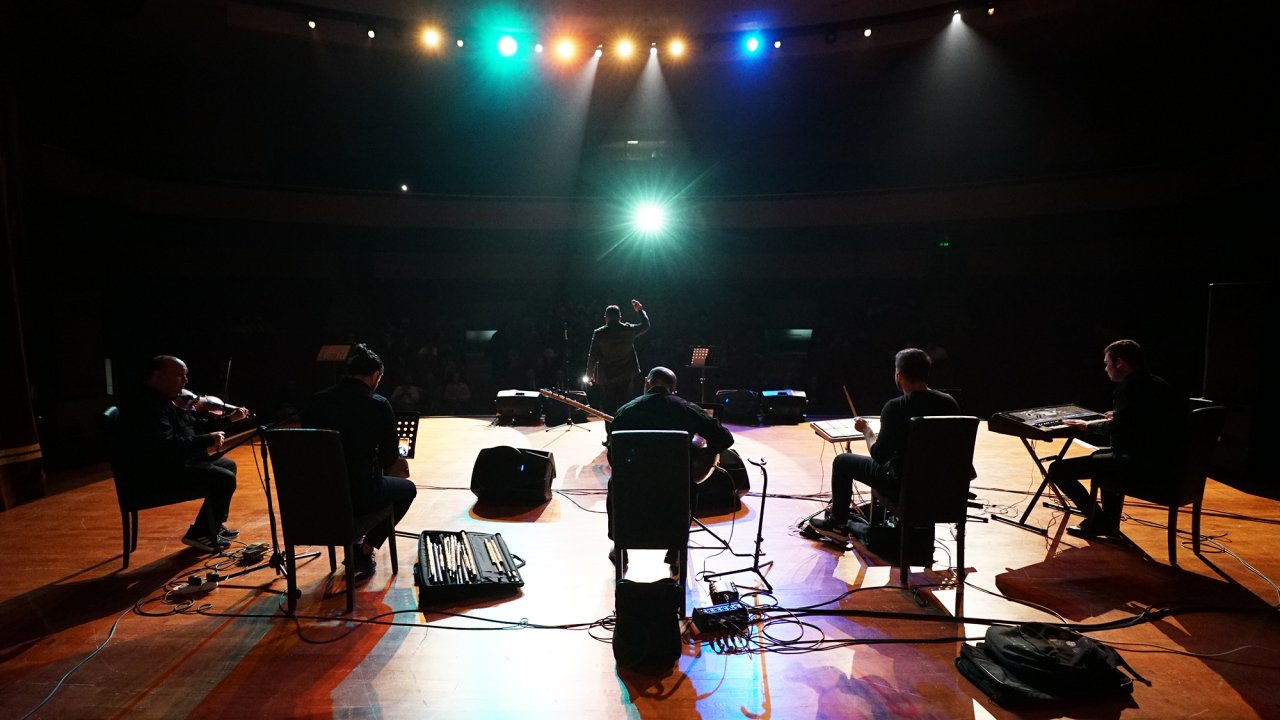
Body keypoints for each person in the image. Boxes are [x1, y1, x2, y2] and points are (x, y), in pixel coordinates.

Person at [809, 348, 961, 541]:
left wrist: (867, 431)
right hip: (942, 486)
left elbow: (879, 456)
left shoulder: (895, 407)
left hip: (902, 485)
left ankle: (837, 524)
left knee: (841, 462)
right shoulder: (949, 403)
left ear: (899, 375)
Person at [1047, 339, 1186, 538]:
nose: (1105, 369)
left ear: (1119, 362)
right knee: (1103, 459)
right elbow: (1149, 419)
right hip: (1165, 461)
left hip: (1139, 463)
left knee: (1058, 469)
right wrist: (1121, 415)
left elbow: (1119, 428)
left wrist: (1087, 425)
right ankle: (1108, 523)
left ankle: (1099, 521)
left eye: (1107, 363)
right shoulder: (1157, 383)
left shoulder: (1128, 387)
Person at [301, 344, 417, 579]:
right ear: (375, 375)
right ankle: (364, 548)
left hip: (319, 497)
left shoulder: (315, 402)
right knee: (406, 490)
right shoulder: (378, 404)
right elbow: (388, 459)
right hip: (360, 496)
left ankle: (358, 543)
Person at [116, 355, 250, 553]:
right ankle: (199, 534)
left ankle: (212, 526)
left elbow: (191, 426)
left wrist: (228, 420)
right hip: (154, 474)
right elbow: (167, 447)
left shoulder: (164, 399)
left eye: (185, 376)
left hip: (170, 462)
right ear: (157, 375)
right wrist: (207, 440)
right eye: (179, 376)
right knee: (224, 479)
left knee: (228, 465)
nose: (186, 382)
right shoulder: (146, 406)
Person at [606, 366, 734, 572]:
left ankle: (620, 544)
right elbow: (726, 439)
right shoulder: (687, 409)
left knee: (614, 483)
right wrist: (703, 455)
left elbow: (614, 457)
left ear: (647, 383)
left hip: (633, 489)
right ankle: (676, 546)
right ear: (673, 390)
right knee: (689, 485)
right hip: (675, 489)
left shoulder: (626, 410)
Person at [586, 299, 650, 421]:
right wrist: (640, 311)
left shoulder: (599, 333)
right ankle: (623, 435)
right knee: (625, 406)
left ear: (605, 318)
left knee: (608, 409)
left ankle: (610, 437)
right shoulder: (628, 330)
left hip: (606, 377)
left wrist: (589, 374)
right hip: (626, 375)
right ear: (620, 317)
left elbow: (592, 356)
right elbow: (646, 325)